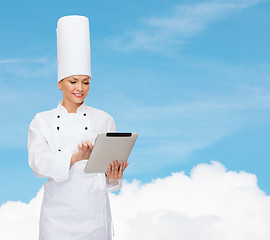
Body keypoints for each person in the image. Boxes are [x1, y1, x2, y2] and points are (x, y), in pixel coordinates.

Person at [27, 15, 128, 240]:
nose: (80, 88)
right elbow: (38, 164)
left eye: (86, 81)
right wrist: (75, 157)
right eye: (73, 81)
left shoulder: (104, 119)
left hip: (95, 215)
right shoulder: (42, 120)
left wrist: (113, 174)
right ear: (60, 83)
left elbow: (109, 178)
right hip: (57, 217)